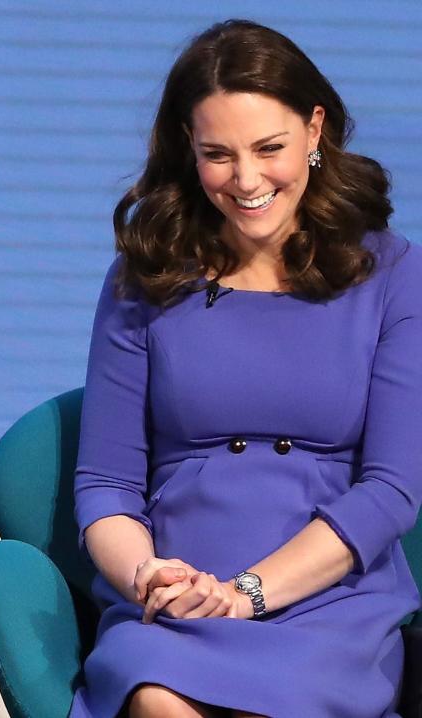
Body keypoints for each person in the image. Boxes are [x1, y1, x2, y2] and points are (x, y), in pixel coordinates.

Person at [71, 20, 422, 718]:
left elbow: (393, 487)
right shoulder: (143, 279)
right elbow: (105, 487)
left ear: (315, 129)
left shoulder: (391, 271)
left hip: (329, 600)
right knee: (158, 700)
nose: (248, 179)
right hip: (179, 596)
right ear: (187, 150)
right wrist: (150, 575)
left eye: (270, 148)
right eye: (218, 155)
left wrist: (251, 592)